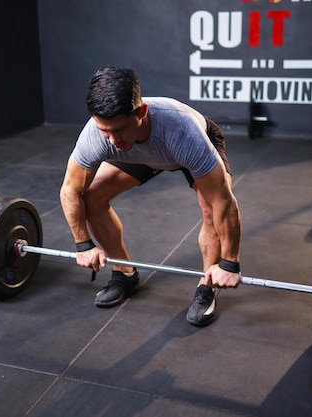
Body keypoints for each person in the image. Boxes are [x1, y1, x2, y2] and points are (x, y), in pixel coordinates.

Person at [59, 66, 242, 327]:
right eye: (104, 130)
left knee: (211, 210)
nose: (111, 140)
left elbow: (223, 202)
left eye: (118, 129)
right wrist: (83, 244)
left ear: (141, 113)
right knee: (91, 196)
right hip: (139, 151)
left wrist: (229, 264)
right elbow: (70, 190)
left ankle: (208, 286)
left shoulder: (183, 132)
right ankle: (124, 273)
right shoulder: (99, 135)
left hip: (178, 147)